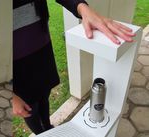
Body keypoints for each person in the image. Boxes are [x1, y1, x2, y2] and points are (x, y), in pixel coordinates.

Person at [13, 0, 135, 135]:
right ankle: (41, 133)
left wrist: (82, 7)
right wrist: (13, 97)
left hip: (41, 48)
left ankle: (47, 127)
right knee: (29, 107)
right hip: (16, 63)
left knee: (43, 94)